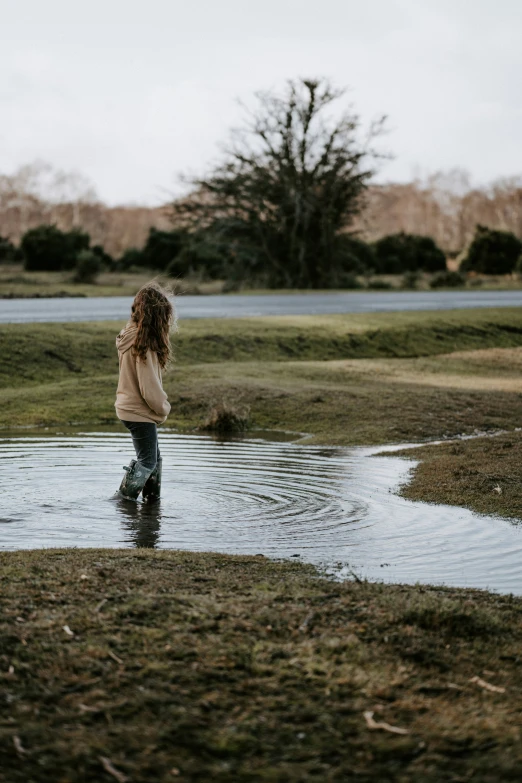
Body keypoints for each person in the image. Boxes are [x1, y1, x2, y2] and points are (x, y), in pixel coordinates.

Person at [113, 282, 174, 501]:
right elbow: (149, 389)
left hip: (128, 408)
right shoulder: (143, 345)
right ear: (158, 317)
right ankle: (122, 500)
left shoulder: (128, 335)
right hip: (138, 411)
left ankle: (151, 503)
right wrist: (164, 407)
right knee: (147, 461)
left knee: (154, 460)